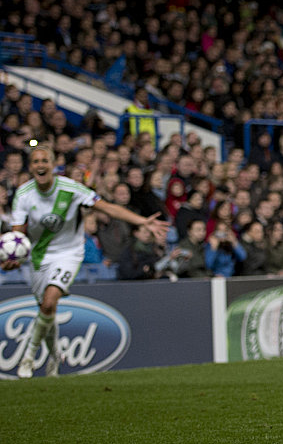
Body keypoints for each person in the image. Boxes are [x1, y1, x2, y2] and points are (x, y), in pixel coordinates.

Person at [1, 144, 169, 378]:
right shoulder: (23, 194)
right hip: (40, 255)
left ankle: (28, 357)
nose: (40, 165)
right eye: (36, 162)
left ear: (53, 165)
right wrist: (12, 258)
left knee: (49, 302)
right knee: (45, 310)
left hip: (69, 253)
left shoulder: (71, 188)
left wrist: (141, 221)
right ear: (30, 167)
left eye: (44, 161)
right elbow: (18, 235)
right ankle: (55, 356)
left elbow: (108, 208)